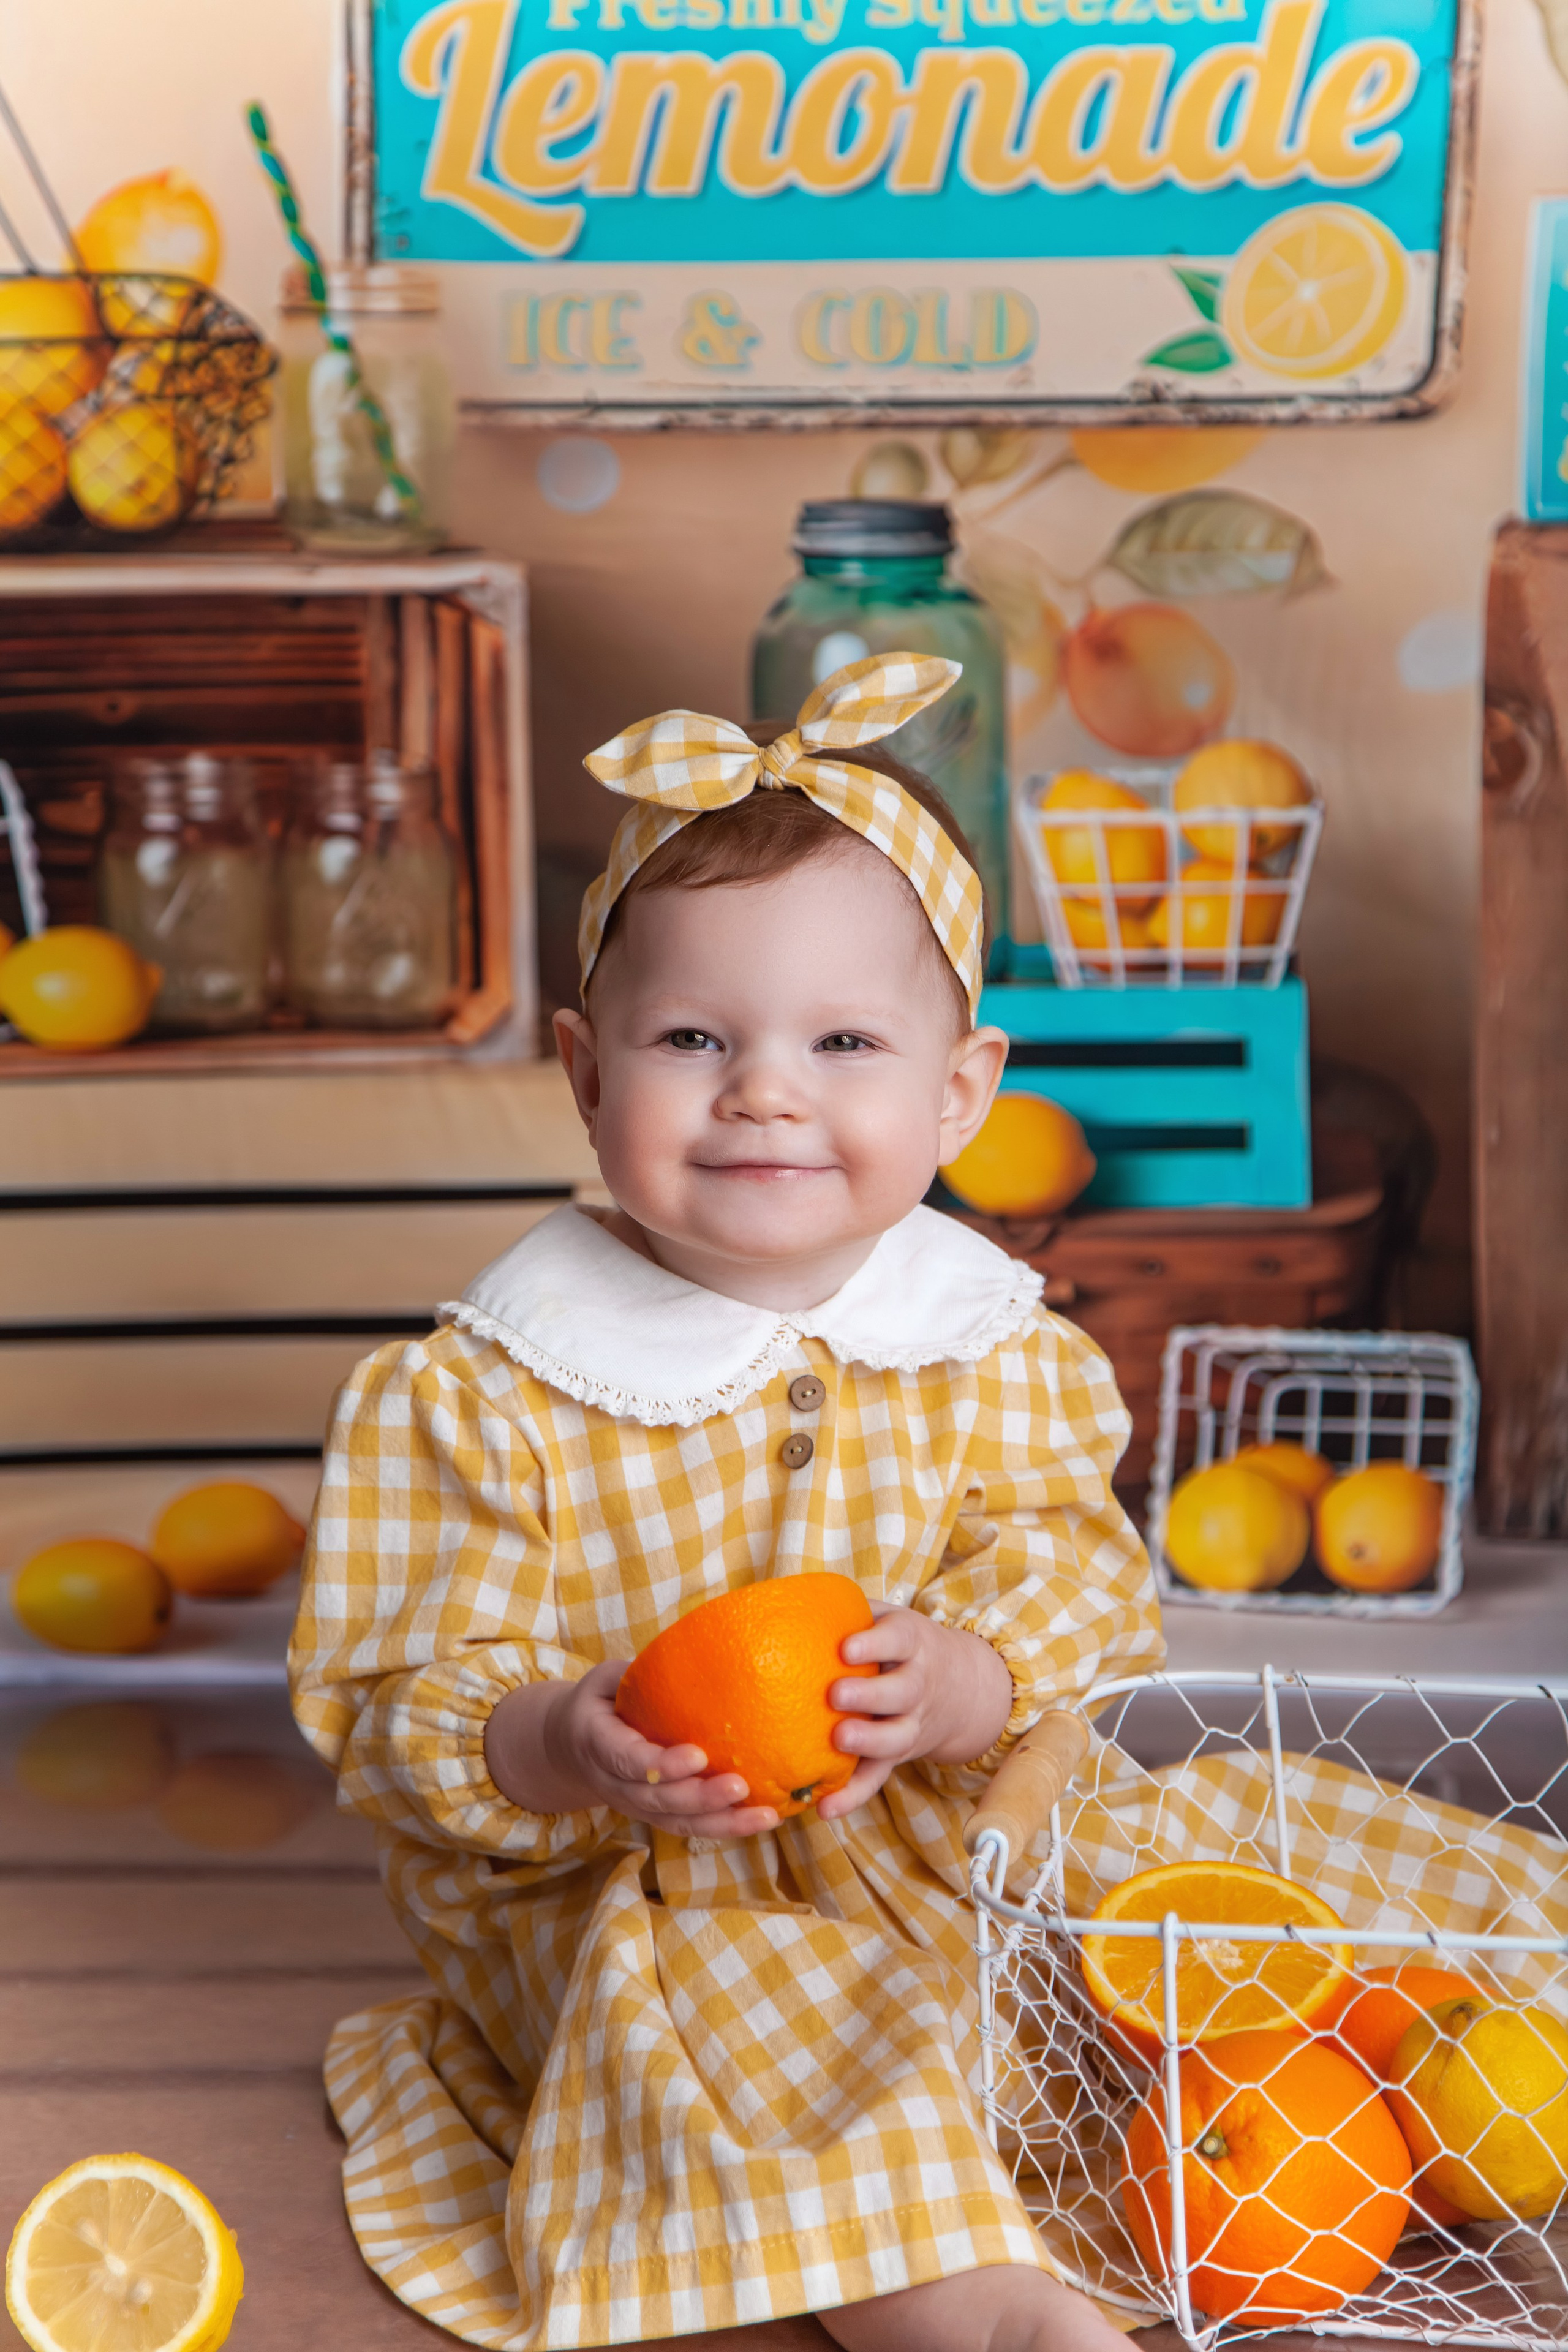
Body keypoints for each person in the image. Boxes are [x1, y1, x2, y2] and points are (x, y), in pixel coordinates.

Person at [290, 651, 1164, 2352]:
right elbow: (395, 1706)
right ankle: (968, 2306)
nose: (765, 1087)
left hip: (944, 1835)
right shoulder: (487, 1393)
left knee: (1159, 1919)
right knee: (753, 2023)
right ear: (585, 1071)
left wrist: (971, 1680)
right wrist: (559, 1737)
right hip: (650, 1885)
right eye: (695, 1038)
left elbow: (1080, 1577)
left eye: (843, 1041)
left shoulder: (988, 1346)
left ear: (961, 1093)